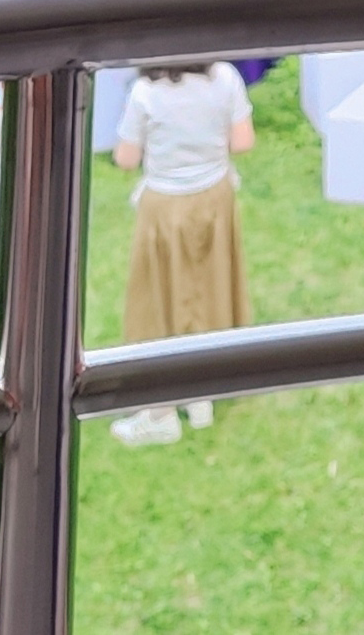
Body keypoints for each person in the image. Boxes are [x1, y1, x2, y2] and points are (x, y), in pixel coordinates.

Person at [109, 57, 256, 447]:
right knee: (208, 288)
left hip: (166, 206)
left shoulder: (146, 93)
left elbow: (126, 158)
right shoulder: (225, 77)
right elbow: (243, 141)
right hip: (214, 197)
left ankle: (161, 412)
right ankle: (200, 394)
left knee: (159, 301)